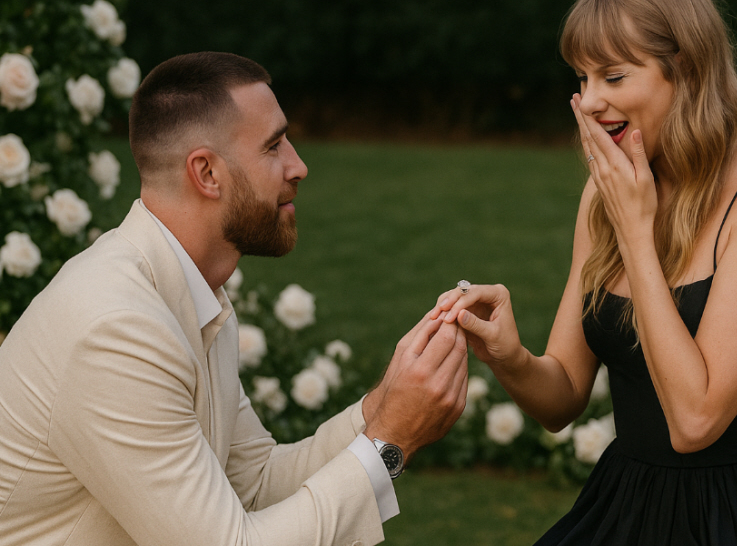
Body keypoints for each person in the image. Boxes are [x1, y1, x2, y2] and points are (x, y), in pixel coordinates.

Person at [435, 0, 737, 545]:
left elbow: (695, 422)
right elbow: (561, 400)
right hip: (630, 507)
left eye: (614, 76)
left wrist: (635, 231)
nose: (589, 102)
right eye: (582, 78)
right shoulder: (605, 196)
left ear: (687, 71)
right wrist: (510, 357)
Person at [0, 52, 468, 546]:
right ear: (206, 173)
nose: (299, 166)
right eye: (273, 146)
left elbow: (254, 484)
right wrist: (391, 441)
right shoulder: (115, 327)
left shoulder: (191, 293)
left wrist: (382, 405)